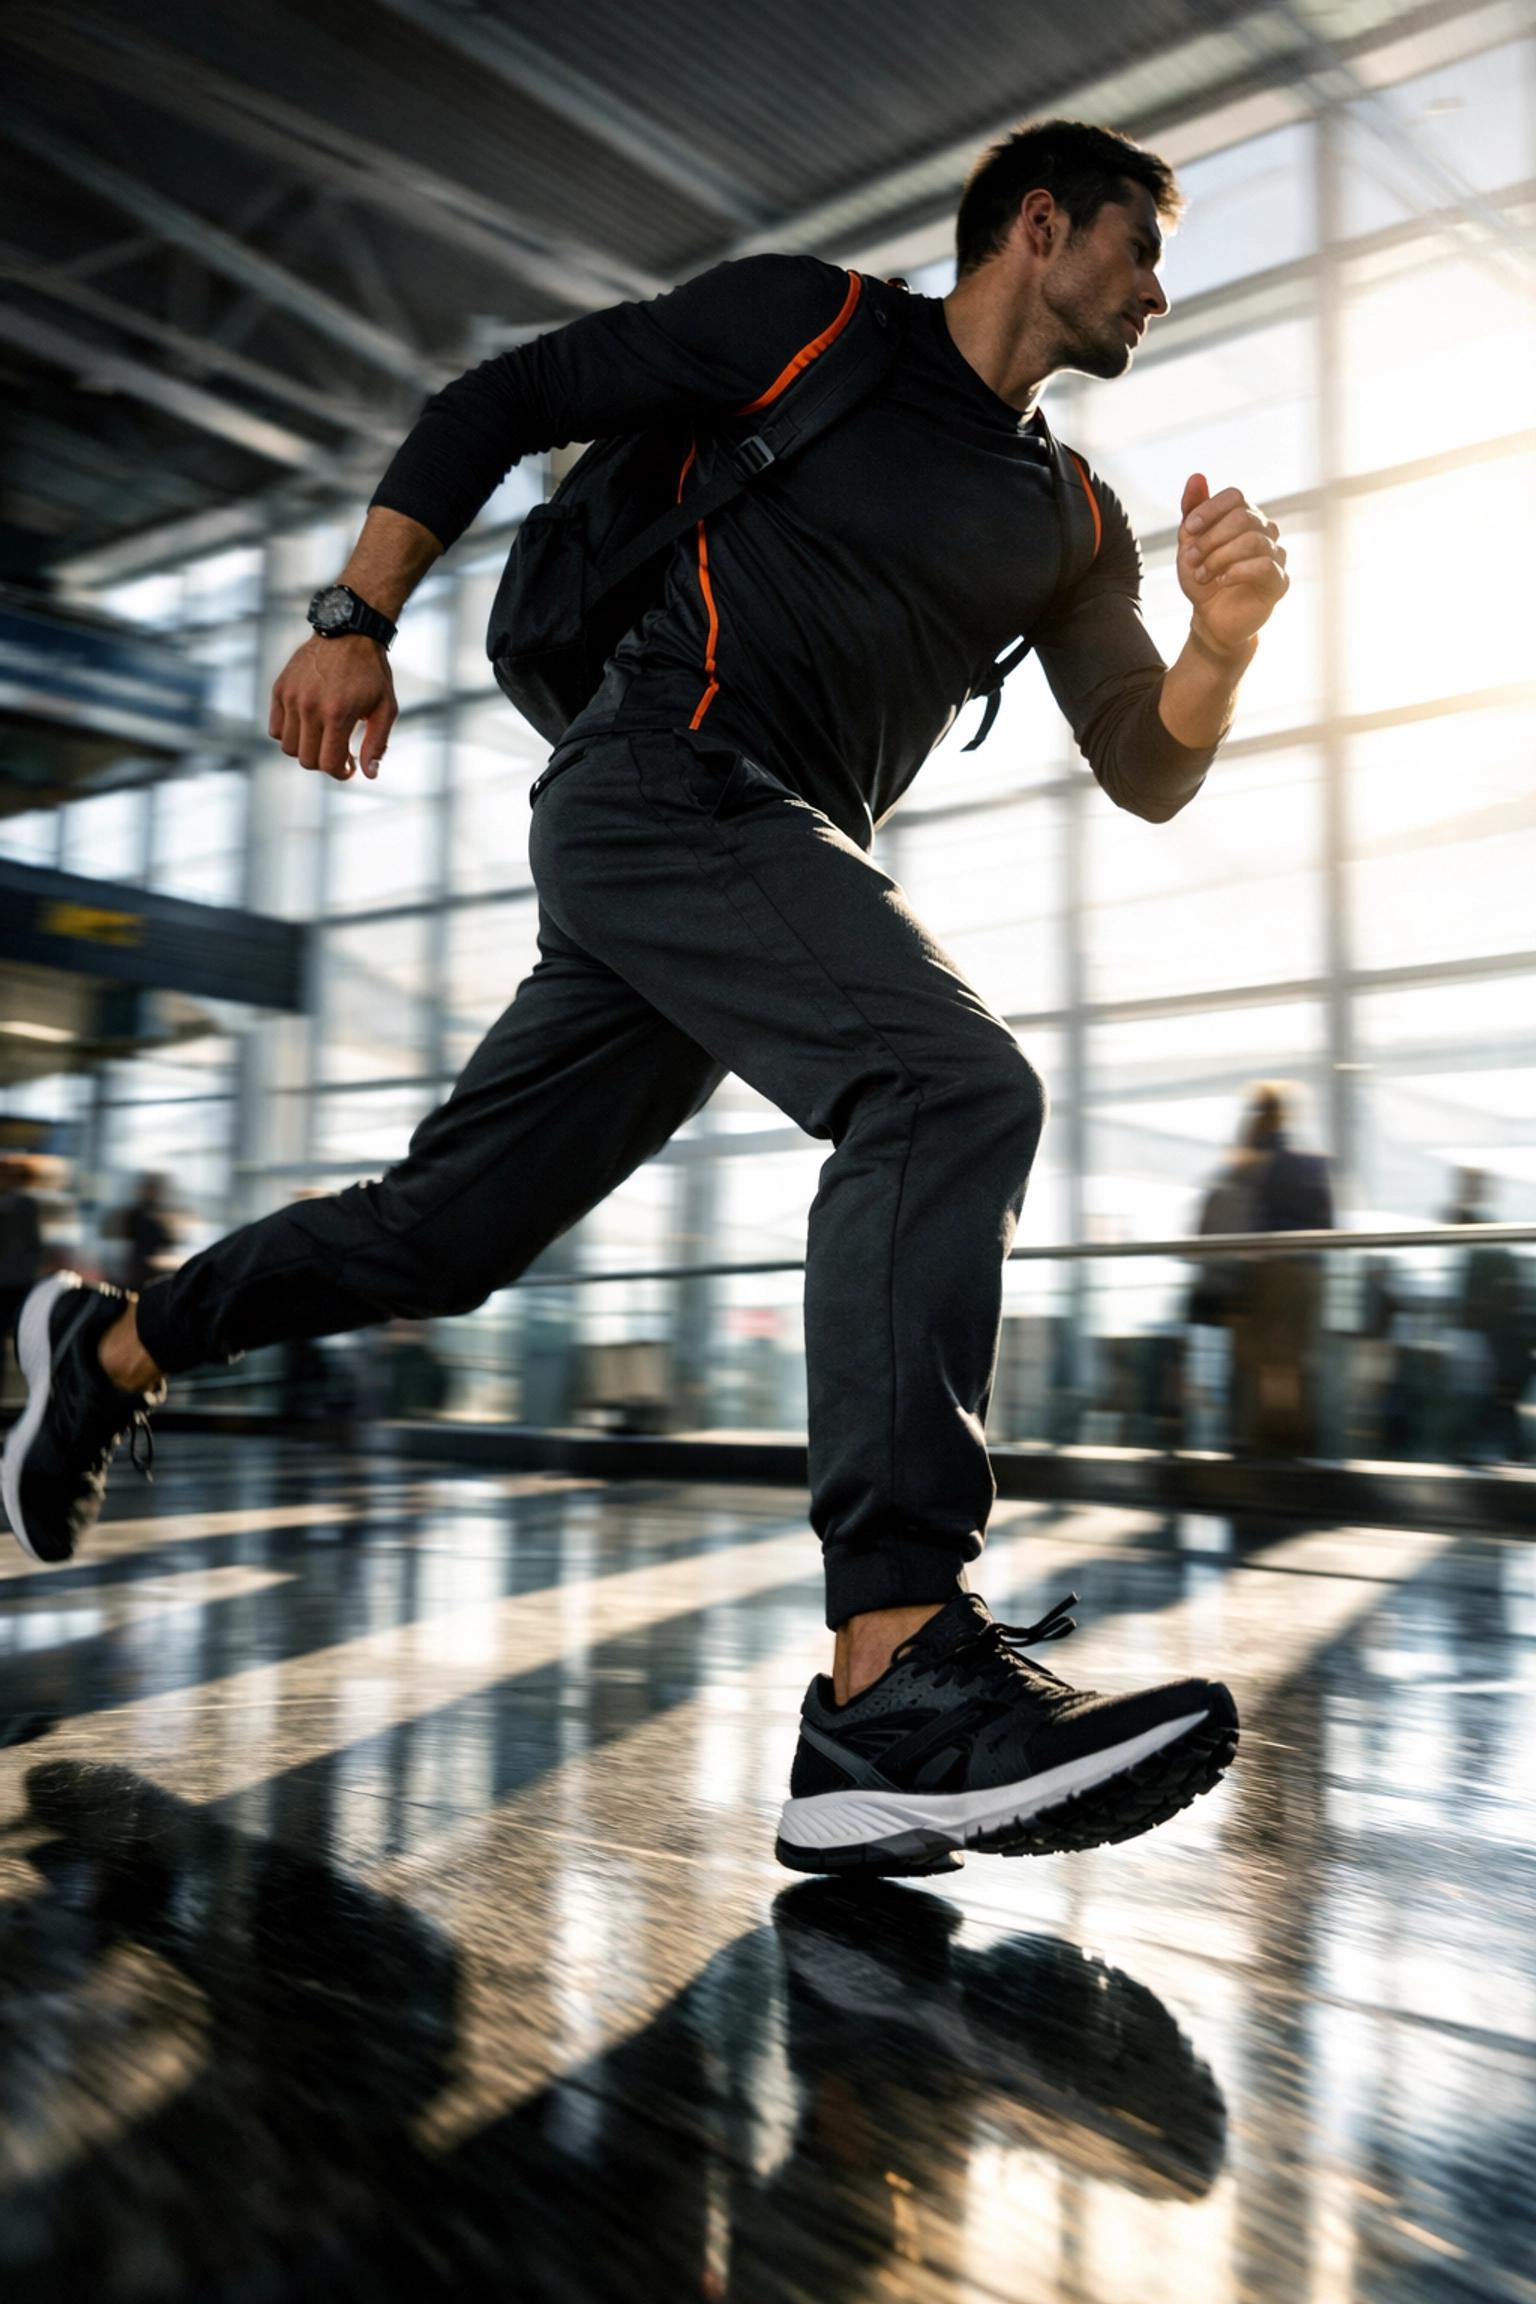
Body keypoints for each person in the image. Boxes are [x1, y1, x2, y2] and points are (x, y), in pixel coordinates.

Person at [3, 120, 1287, 1875]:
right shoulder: (807, 326)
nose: (1159, 287)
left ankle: (111, 1342)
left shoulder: (1071, 514)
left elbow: (1145, 767)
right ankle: (893, 1672)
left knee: (442, 1236)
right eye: (1140, 247)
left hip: (744, 861)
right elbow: (500, 398)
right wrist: (352, 610)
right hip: (661, 779)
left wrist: (1215, 646)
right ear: (1037, 225)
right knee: (947, 1087)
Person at [1194, 1084, 1333, 1456]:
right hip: (1308, 1278)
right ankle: (1291, 1447)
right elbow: (1328, 1222)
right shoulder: (1313, 1165)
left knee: (1262, 1366)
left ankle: (1266, 1449)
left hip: (1266, 1277)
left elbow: (1232, 1223)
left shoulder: (1249, 1163)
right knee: (1289, 1366)